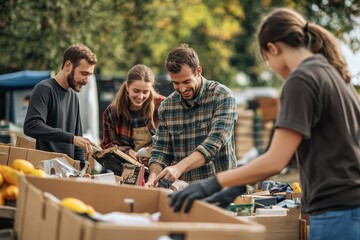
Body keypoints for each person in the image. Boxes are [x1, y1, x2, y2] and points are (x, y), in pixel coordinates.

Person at [169, 8, 360, 240]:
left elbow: (275, 159)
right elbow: (288, 154)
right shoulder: (333, 73)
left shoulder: (301, 80)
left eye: (266, 60)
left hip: (336, 213)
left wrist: (213, 183)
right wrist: (237, 186)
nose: (271, 67)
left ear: (272, 48)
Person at [146, 43, 238, 186]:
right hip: (185, 192)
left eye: (186, 81)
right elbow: (160, 152)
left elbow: (214, 143)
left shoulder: (222, 96)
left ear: (198, 71)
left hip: (220, 189)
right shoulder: (166, 107)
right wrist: (152, 179)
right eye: (176, 83)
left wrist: (178, 168)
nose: (182, 89)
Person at [24, 43, 99, 167]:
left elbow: (78, 142)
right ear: (68, 66)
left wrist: (82, 168)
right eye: (84, 74)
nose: (87, 80)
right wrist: (71, 138)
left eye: (89, 75)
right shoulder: (43, 89)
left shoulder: (74, 97)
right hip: (47, 171)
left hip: (69, 174)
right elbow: (31, 126)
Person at [101, 64, 165, 164]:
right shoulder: (112, 112)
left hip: (158, 165)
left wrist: (150, 152)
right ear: (127, 86)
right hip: (126, 167)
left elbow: (169, 139)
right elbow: (108, 145)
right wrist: (126, 151)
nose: (140, 96)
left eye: (145, 92)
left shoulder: (162, 106)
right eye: (136, 91)